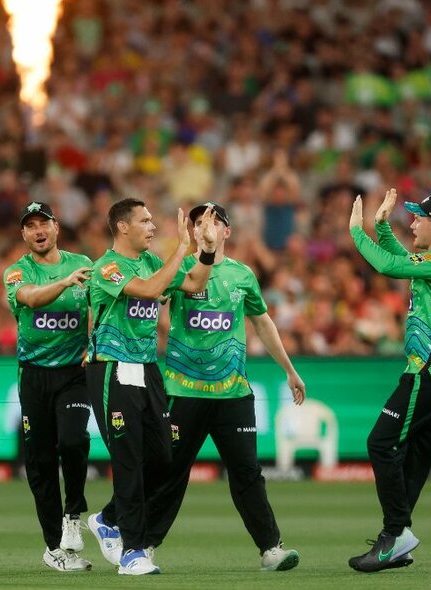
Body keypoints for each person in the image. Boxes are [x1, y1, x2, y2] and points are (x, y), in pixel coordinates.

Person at [146, 201, 307, 571]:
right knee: (170, 473)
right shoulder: (182, 270)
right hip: (184, 391)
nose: (205, 227)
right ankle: (143, 546)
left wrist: (289, 370)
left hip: (233, 393)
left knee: (247, 471)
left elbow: (263, 323)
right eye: (198, 222)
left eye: (213, 222)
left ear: (227, 232)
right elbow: (154, 299)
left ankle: (271, 549)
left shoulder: (243, 275)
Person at [347, 189, 431, 572]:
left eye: (419, 218)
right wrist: (383, 227)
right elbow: (404, 260)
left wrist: (358, 231)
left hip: (430, 372)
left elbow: (389, 267)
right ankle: (398, 538)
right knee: (413, 458)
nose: (414, 223)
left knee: (381, 443)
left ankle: (394, 535)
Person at [85, 197, 217, 575]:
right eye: (144, 220)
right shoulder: (107, 266)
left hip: (146, 369)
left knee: (163, 457)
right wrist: (183, 249)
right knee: (128, 460)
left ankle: (108, 518)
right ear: (122, 227)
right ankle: (132, 551)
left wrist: (205, 252)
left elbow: (192, 283)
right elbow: (147, 291)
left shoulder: (150, 262)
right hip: (112, 369)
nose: (152, 226)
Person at [2, 201, 93, 572]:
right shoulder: (16, 272)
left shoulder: (82, 264)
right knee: (39, 462)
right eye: (30, 226)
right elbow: (30, 298)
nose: (38, 231)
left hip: (74, 373)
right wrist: (62, 284)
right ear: (23, 234)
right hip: (34, 374)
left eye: (44, 223)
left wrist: (97, 340)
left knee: (73, 440)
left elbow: (100, 307)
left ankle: (74, 515)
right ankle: (55, 548)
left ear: (56, 227)